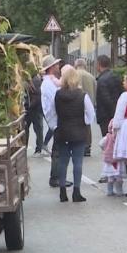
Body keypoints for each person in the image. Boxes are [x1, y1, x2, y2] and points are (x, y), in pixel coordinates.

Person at [52, 66, 96, 202]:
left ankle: (62, 192)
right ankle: (76, 192)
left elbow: (53, 112)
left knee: (63, 162)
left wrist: (56, 126)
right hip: (78, 132)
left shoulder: (58, 95)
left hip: (62, 131)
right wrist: (85, 122)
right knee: (78, 162)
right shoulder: (82, 95)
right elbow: (91, 114)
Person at [40, 55, 70, 188]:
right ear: (51, 68)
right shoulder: (48, 84)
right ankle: (56, 177)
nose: (58, 67)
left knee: (59, 149)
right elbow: (56, 100)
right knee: (58, 150)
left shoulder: (51, 82)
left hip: (57, 119)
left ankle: (57, 177)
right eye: (56, 65)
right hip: (57, 120)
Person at [95, 55, 123, 137]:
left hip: (105, 116)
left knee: (108, 141)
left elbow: (105, 99)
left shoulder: (101, 80)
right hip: (117, 114)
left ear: (99, 65)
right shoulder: (116, 76)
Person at [74, 59, 97, 156]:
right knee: (87, 125)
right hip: (89, 104)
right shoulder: (91, 77)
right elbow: (95, 90)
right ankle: (87, 147)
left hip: (75, 104)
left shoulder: (73, 75)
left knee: (76, 126)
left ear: (76, 65)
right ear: (85, 65)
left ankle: (78, 145)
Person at [99, 120, 125, 196]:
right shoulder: (120, 138)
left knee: (110, 177)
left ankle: (109, 191)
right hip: (118, 160)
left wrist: (105, 149)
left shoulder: (107, 137)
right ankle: (119, 191)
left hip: (109, 160)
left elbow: (100, 144)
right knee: (118, 177)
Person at [25, 66, 45, 155]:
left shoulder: (35, 80)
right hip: (33, 108)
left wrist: (28, 106)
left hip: (34, 109)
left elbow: (36, 96)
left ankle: (38, 148)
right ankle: (38, 148)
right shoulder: (34, 79)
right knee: (36, 129)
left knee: (37, 129)